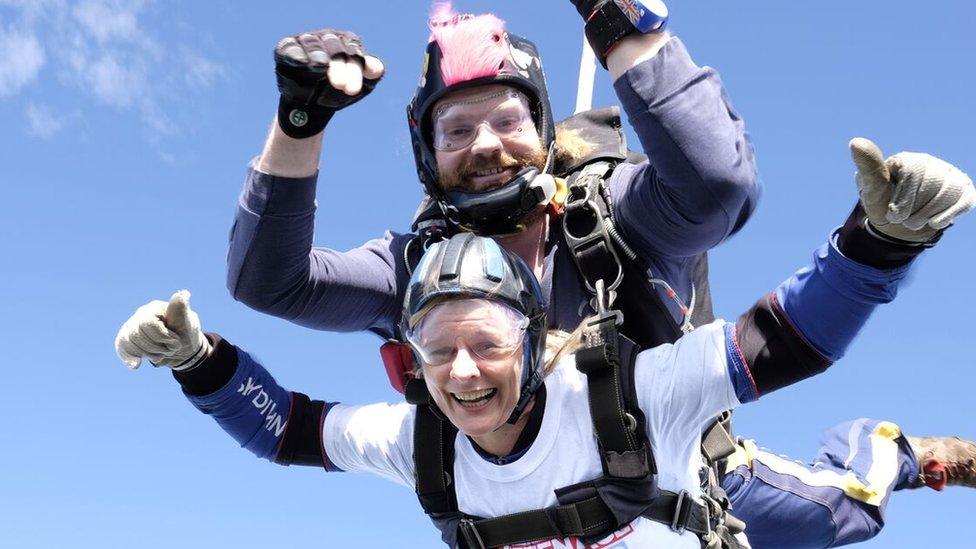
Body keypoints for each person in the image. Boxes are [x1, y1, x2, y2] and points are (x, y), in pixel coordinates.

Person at [223, 3, 976, 546]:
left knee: (848, 511)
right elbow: (270, 284)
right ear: (426, 155)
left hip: (675, 476)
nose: (484, 143)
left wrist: (617, 24)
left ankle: (893, 449)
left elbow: (717, 189)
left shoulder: (609, 214)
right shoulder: (417, 272)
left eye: (508, 120)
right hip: (515, 510)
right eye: (456, 129)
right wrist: (301, 118)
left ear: (547, 135)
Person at [115, 158, 974, 547]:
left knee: (844, 510)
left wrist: (878, 243)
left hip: (703, 488)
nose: (460, 372)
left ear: (535, 343)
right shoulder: (425, 445)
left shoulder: (631, 390)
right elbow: (290, 432)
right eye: (436, 350)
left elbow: (785, 341)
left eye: (485, 344)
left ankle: (897, 450)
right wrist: (199, 360)